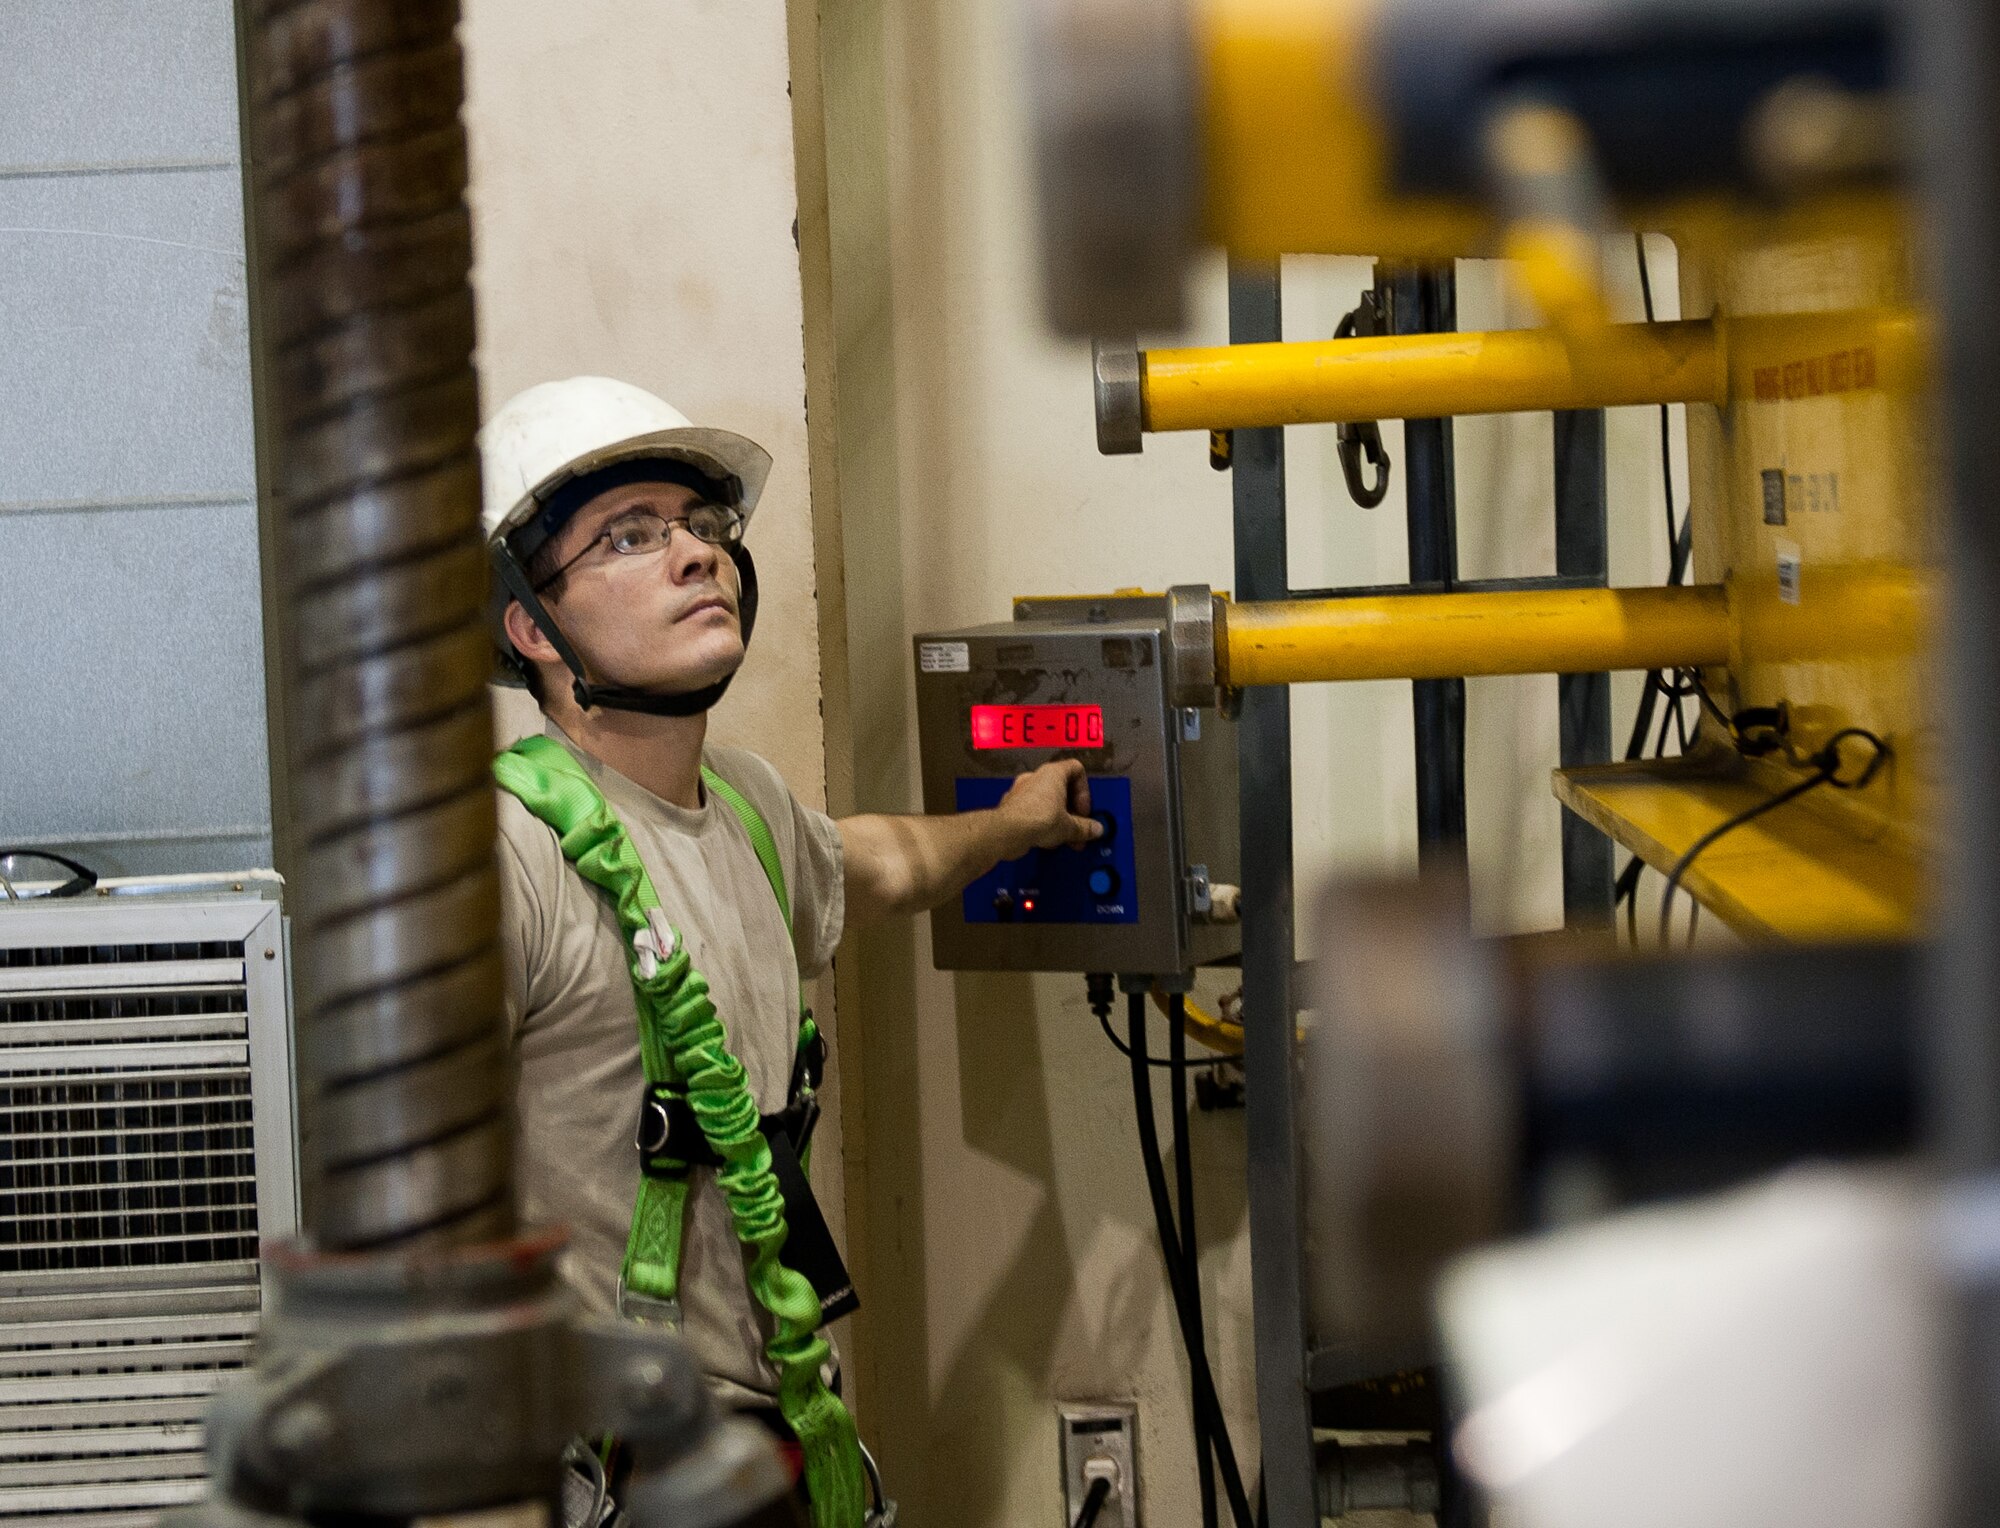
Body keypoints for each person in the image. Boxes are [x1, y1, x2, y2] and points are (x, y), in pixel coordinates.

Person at [479, 377, 1099, 1526]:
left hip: (780, 1449)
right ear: (530, 624)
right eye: (629, 535)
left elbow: (874, 863)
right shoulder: (505, 861)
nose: (694, 556)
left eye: (702, 528)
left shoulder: (749, 810)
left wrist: (1014, 824)